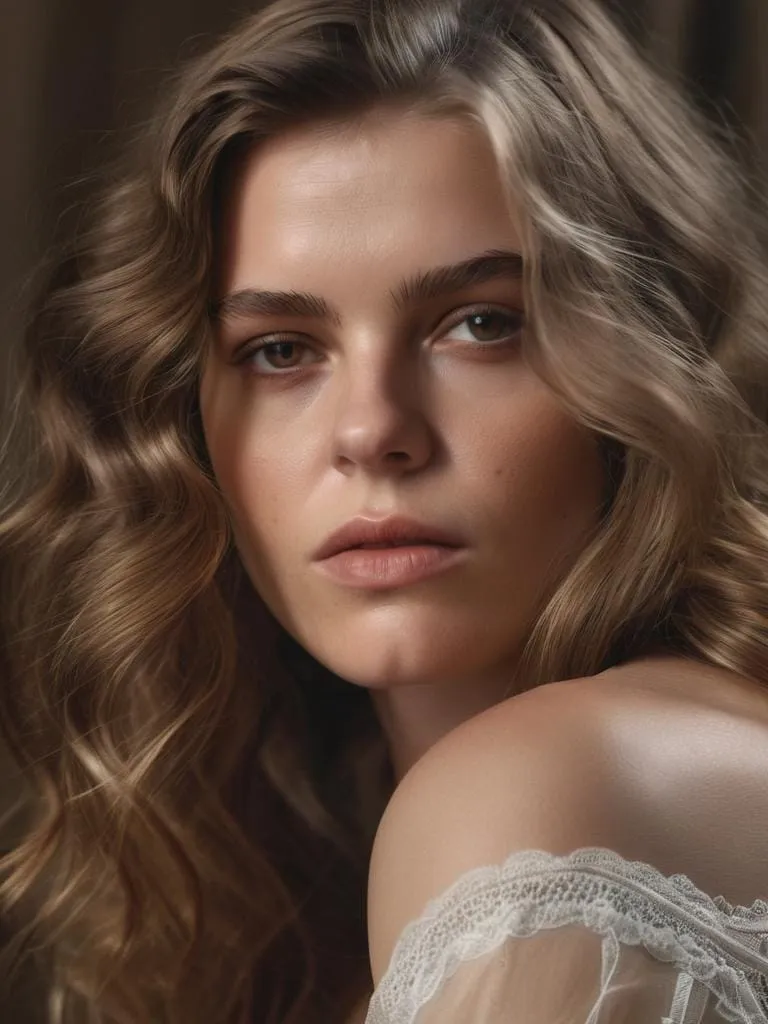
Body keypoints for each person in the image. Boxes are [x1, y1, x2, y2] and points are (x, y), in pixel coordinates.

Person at [1, 0, 767, 1021]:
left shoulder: (546, 793)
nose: (371, 431)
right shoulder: (358, 898)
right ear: (187, 425)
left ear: (649, 358)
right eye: (281, 349)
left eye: (480, 325)